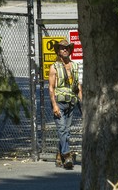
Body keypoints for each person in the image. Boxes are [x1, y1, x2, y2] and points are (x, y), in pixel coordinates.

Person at [48, 39, 82, 169]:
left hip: (71, 102)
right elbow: (51, 88)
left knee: (66, 132)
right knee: (62, 129)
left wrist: (82, 101)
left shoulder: (74, 65)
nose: (65, 49)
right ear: (58, 51)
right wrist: (54, 105)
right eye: (62, 48)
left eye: (67, 48)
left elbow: (77, 85)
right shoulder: (54, 67)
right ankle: (67, 156)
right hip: (59, 103)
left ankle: (59, 155)